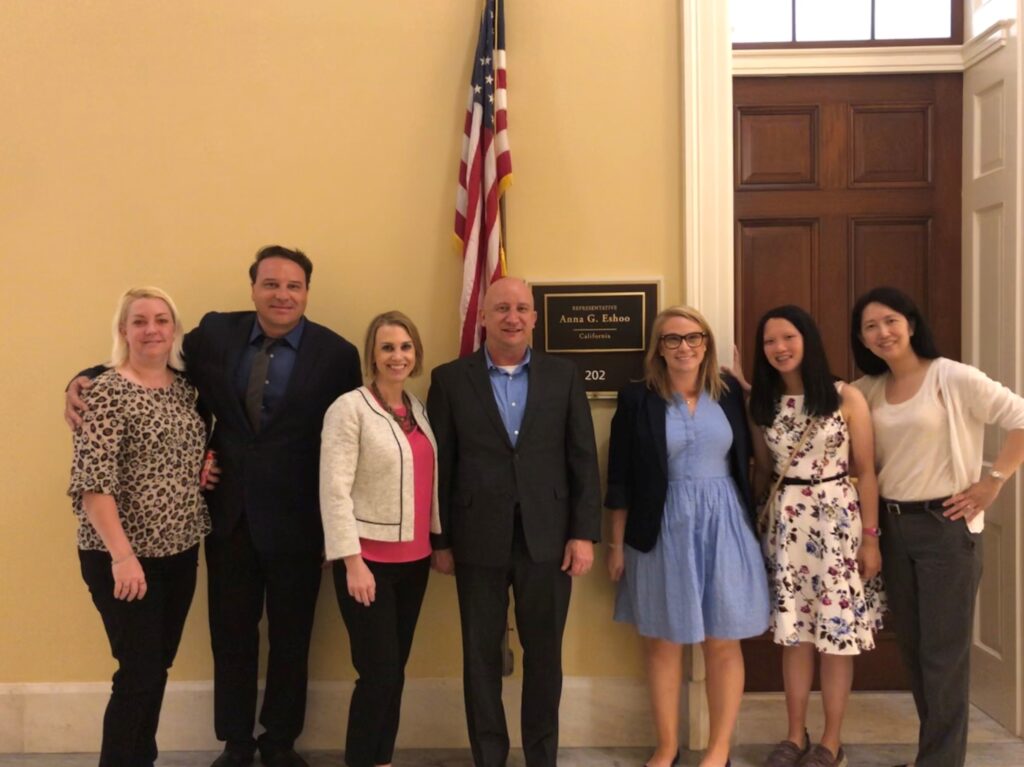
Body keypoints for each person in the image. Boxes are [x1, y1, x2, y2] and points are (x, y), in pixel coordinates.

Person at [65, 246, 362, 767]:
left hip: (300, 524)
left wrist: (341, 532)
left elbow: (347, 441)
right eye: (270, 284)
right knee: (231, 636)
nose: (281, 294)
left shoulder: (337, 355)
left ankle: (279, 743)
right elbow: (151, 354)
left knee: (293, 640)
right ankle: (236, 742)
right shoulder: (216, 335)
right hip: (228, 519)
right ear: (253, 289)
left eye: (293, 286)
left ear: (307, 293)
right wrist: (81, 376)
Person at [426, 276, 601, 767]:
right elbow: (442, 466)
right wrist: (440, 539)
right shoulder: (450, 379)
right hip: (475, 539)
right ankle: (489, 757)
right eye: (501, 307)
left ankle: (541, 757)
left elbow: (582, 459)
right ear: (482, 316)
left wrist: (583, 534)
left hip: (549, 541)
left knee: (544, 658)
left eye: (522, 308)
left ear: (534, 318)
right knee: (480, 659)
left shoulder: (564, 376)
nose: (512, 317)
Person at [850, 286, 1024, 767]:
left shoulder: (951, 377)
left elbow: (1021, 417)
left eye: (889, 320)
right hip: (891, 527)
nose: (882, 332)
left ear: (910, 322)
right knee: (916, 652)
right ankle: (937, 756)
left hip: (946, 529)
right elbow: (817, 409)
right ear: (861, 338)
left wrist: (994, 481)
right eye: (870, 326)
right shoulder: (867, 390)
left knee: (944, 658)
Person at [605, 305, 769, 767]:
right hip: (661, 527)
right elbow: (619, 478)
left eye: (693, 338)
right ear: (658, 347)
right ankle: (667, 747)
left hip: (726, 526)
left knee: (722, 640)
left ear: (707, 343)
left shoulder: (731, 391)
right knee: (663, 640)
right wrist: (616, 545)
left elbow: (759, 455)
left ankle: (718, 750)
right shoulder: (637, 397)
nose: (684, 347)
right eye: (672, 339)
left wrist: (750, 391)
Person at [70, 287, 212, 767]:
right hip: (122, 557)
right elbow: (92, 483)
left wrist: (202, 469)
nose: (151, 329)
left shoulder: (186, 389)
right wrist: (123, 557)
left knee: (155, 669)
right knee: (139, 671)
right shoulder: (106, 390)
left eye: (161, 319)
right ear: (123, 330)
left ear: (174, 330)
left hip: (179, 550)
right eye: (139, 321)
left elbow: (182, 453)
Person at [747, 305, 884, 767]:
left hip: (837, 523)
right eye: (769, 341)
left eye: (788, 337)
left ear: (808, 339)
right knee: (794, 635)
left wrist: (871, 539)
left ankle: (830, 740)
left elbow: (865, 473)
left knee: (835, 634)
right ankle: (793, 736)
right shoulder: (761, 406)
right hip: (787, 527)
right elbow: (764, 473)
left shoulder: (846, 397)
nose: (779, 348)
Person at [319, 311, 441, 767]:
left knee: (395, 674)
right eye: (388, 347)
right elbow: (333, 490)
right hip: (366, 564)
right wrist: (352, 561)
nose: (398, 356)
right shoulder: (349, 408)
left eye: (406, 347)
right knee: (378, 674)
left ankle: (382, 760)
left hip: (415, 562)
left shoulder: (418, 409)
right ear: (372, 352)